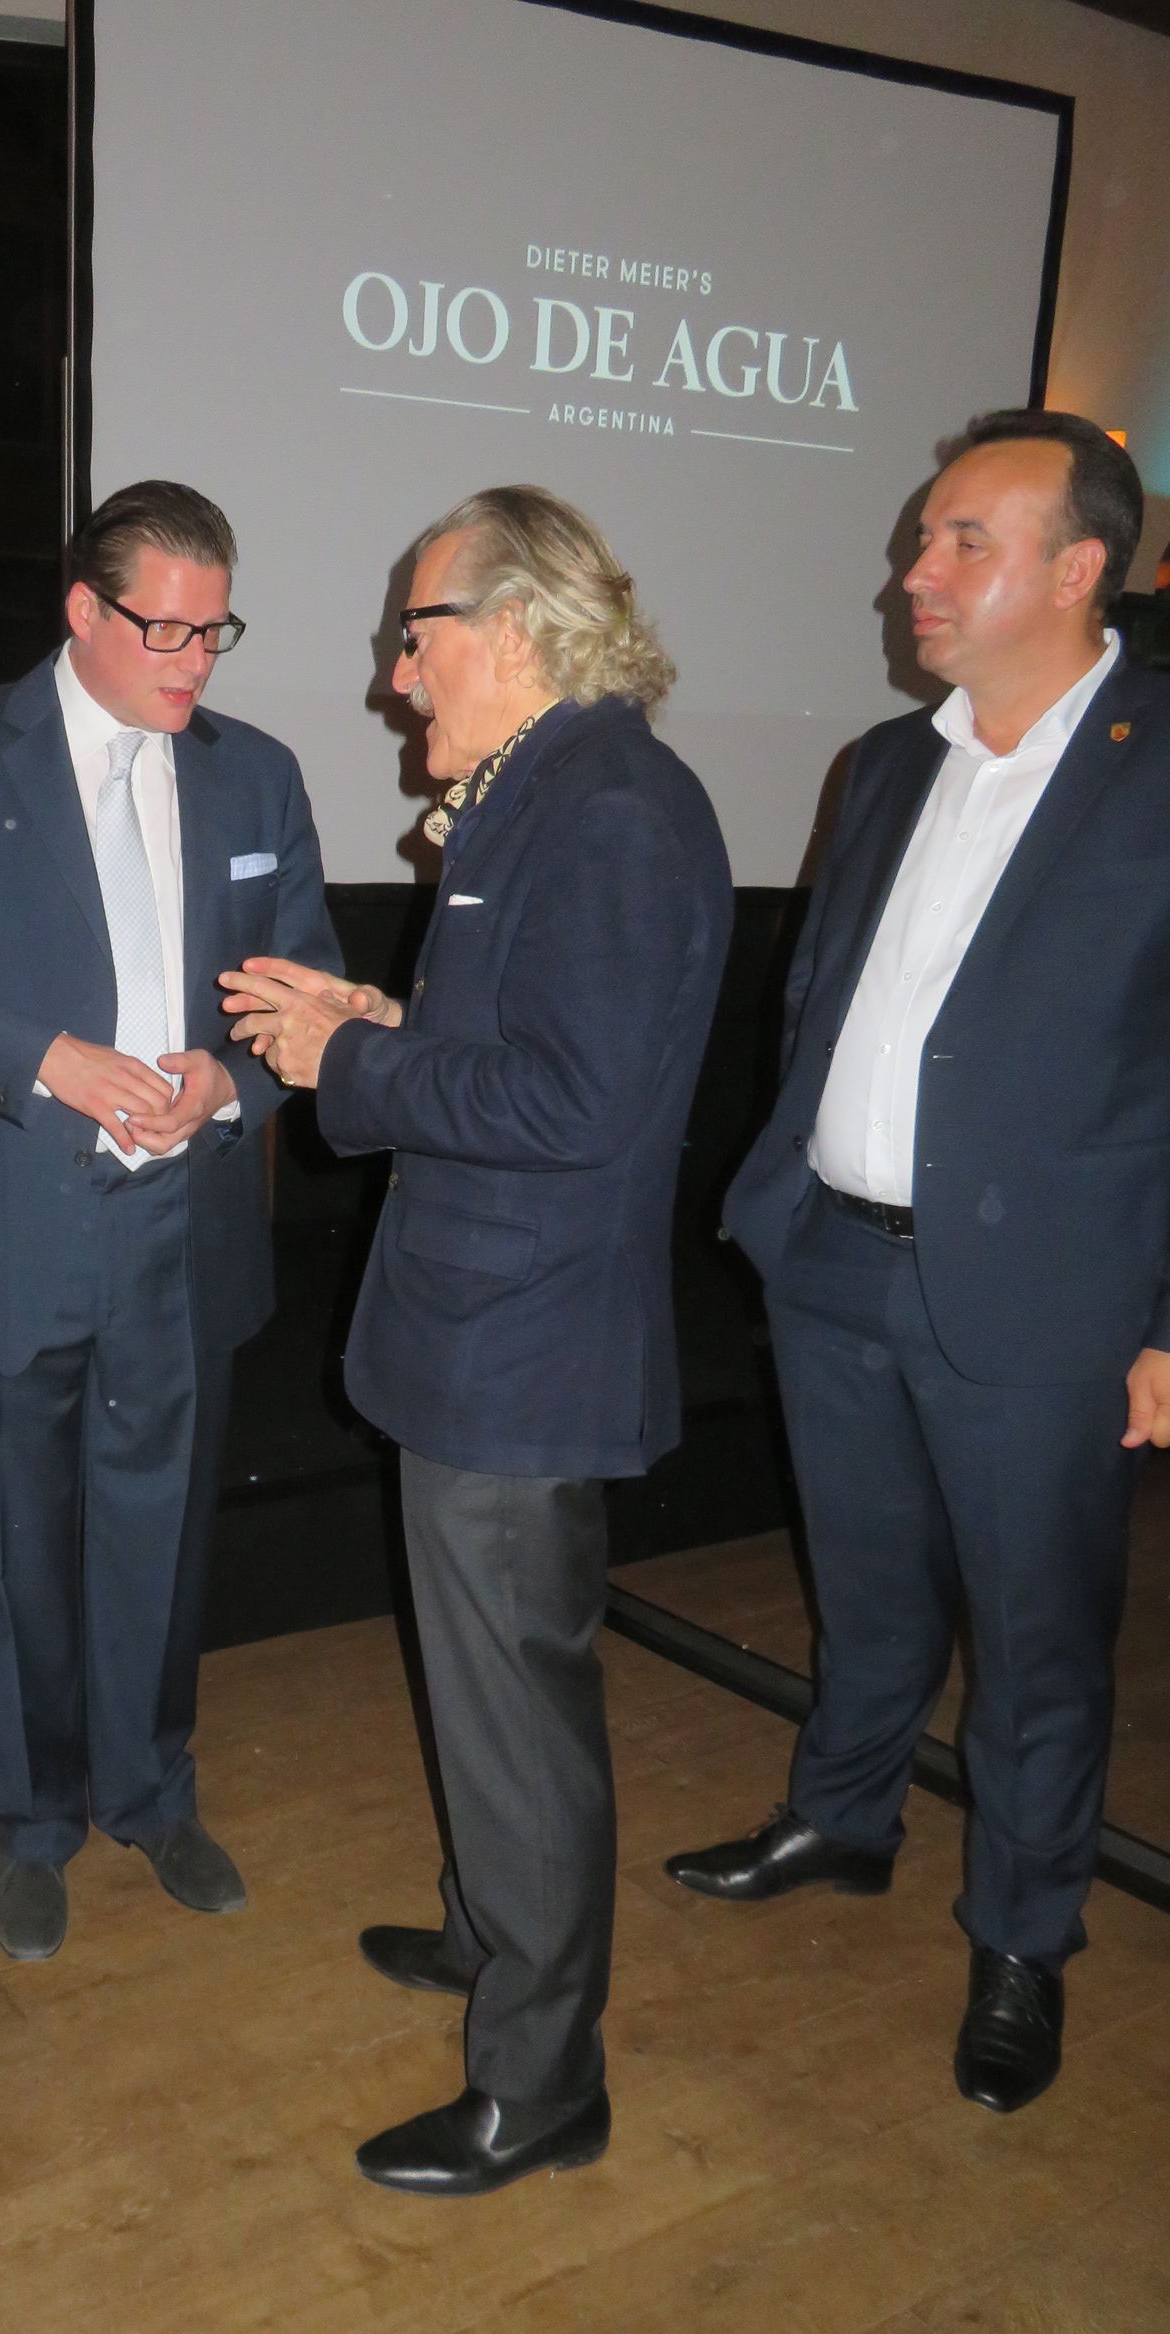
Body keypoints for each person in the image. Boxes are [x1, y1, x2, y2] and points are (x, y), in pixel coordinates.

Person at [221, 485, 732, 2196]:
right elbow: (525, 1048)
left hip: (523, 1350)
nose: (393, 674)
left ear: (510, 630)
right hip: (484, 1329)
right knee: (491, 1696)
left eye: (413, 635)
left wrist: (349, 1066)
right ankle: (488, 1929)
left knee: (520, 1719)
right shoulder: (547, 791)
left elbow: (577, 1105)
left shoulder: (611, 809)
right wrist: (380, 1017)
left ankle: (543, 2080)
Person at [666, 411, 1166, 2117]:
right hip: (832, 1257)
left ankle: (1023, 1937)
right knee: (866, 1583)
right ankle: (845, 1812)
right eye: (921, 539)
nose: (914, 574)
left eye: (962, 541)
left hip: (1046, 1303)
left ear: (1081, 568)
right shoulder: (887, 763)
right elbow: (825, 993)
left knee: (1036, 1644)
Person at [0, 480, 339, 1959]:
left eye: (215, 631)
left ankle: (151, 1791)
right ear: (83, 610)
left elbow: (306, 982)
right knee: (13, 1537)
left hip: (181, 1214)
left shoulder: (258, 776)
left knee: (161, 1523)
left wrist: (229, 1078)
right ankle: (33, 1820)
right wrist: (47, 1061)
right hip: (11, 1199)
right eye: (164, 629)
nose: (194, 662)